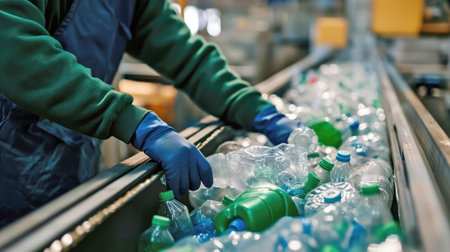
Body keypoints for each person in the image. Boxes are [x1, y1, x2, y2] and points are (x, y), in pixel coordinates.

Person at [0, 0, 302, 227]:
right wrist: (133, 121)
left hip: (69, 161)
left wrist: (257, 110)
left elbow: (187, 57)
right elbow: (13, 48)